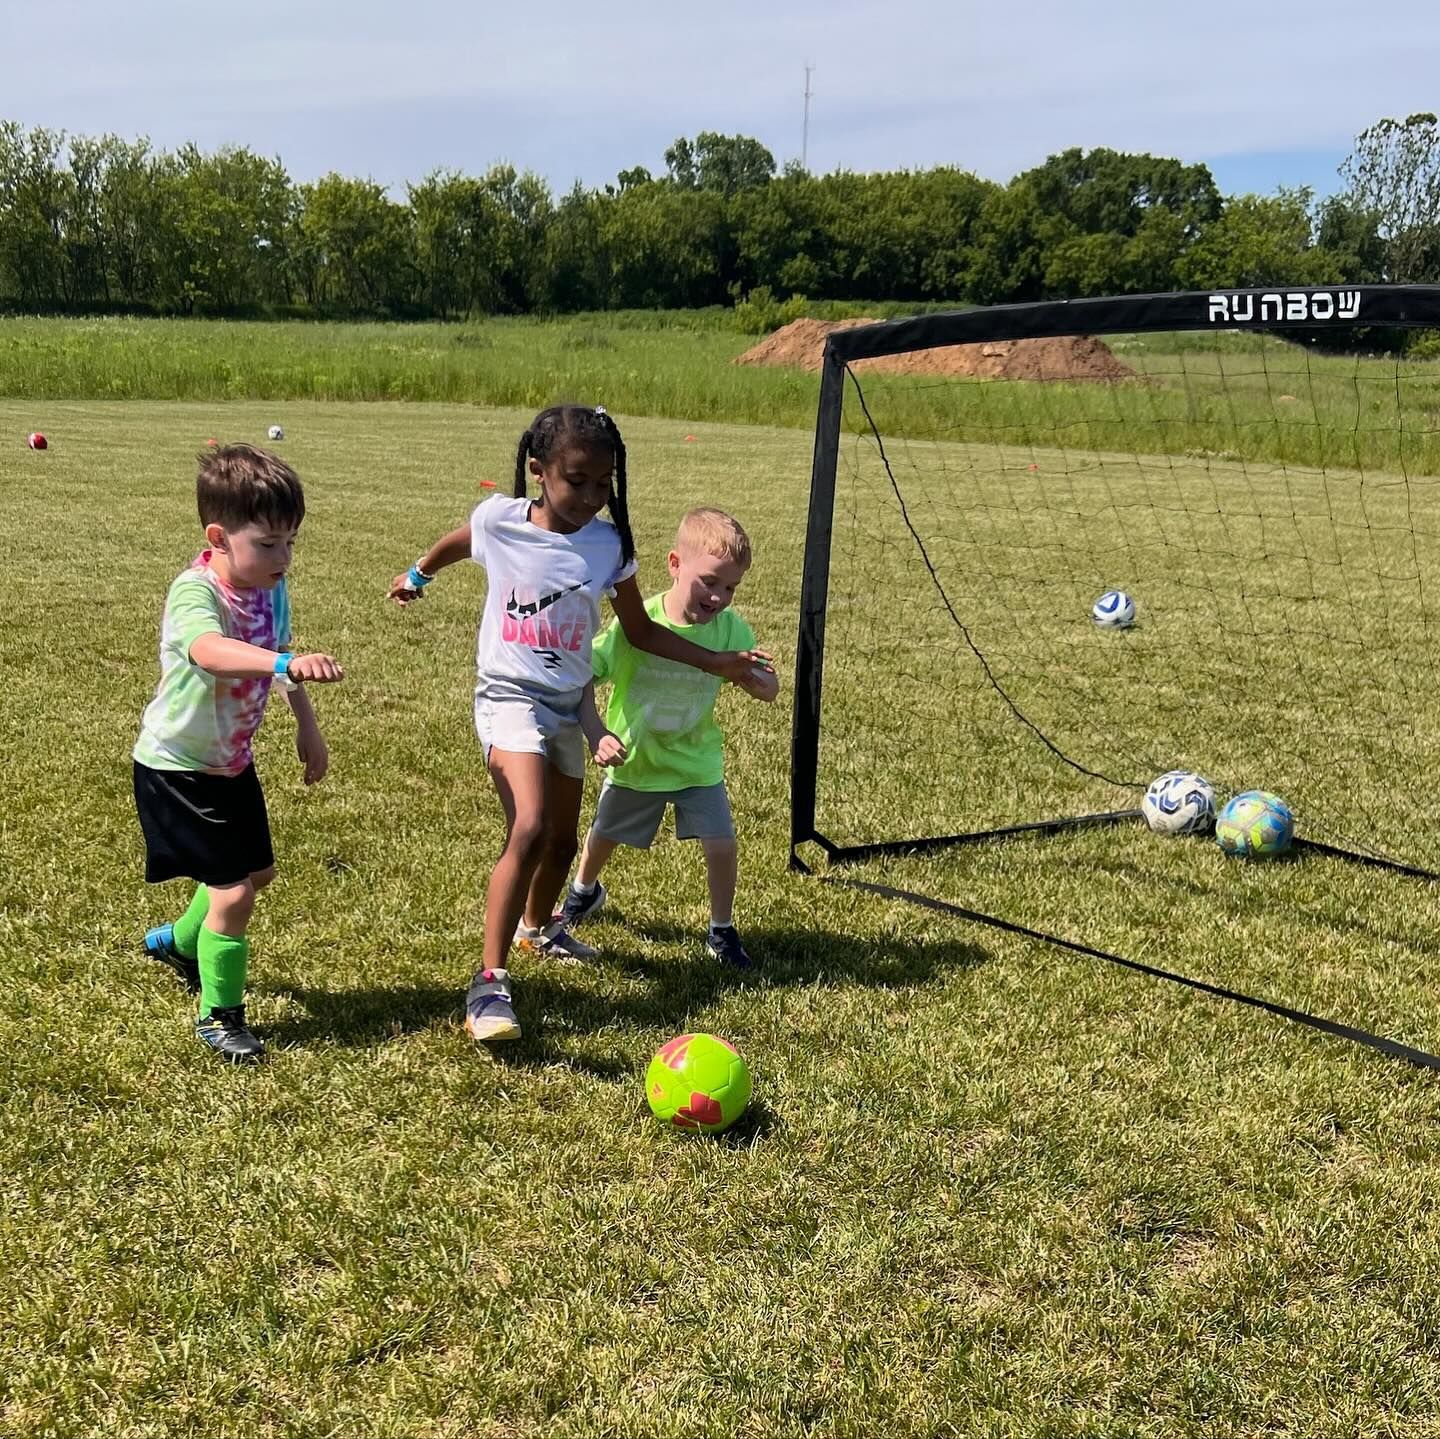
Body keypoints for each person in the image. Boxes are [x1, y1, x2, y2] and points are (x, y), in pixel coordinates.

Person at [387, 405, 769, 1043]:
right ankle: (488, 982)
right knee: (530, 825)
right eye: (577, 481)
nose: (593, 497)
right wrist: (419, 573)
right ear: (538, 472)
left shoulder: (609, 544)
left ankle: (539, 930)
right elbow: (460, 540)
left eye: (604, 485)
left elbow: (641, 631)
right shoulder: (500, 521)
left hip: (569, 700)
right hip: (509, 694)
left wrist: (718, 663)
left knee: (563, 841)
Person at [135, 444, 344, 1063]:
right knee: (233, 894)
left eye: (291, 544)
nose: (283, 558)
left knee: (257, 875)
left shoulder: (270, 591)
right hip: (177, 765)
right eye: (269, 543)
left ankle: (178, 942)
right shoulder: (195, 592)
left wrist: (307, 725)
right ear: (219, 537)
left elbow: (281, 663)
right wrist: (282, 661)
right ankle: (220, 1017)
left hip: (230, 762)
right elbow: (209, 652)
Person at [558, 508, 778, 968]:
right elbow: (583, 673)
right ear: (675, 564)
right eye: (710, 581)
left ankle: (721, 930)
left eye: (731, 587)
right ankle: (583, 891)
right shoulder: (638, 624)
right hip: (636, 759)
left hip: (696, 761)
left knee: (722, 843)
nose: (719, 597)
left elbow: (763, 682)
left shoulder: (732, 630)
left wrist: (759, 683)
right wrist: (596, 731)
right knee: (604, 833)